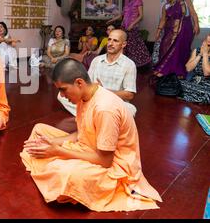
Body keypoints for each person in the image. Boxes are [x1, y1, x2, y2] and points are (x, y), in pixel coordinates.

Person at [21, 58, 162, 212]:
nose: (61, 96)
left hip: (113, 166)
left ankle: (54, 166)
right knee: (39, 129)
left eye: (63, 89)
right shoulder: (84, 96)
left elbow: (105, 160)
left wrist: (58, 150)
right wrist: (53, 141)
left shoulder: (105, 109)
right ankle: (50, 161)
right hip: (87, 147)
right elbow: (82, 131)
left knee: (64, 172)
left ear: (79, 83)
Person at [59, 29, 138, 117]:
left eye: (115, 41)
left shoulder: (129, 64)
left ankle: (91, 114)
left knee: (131, 110)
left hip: (113, 102)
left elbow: (129, 95)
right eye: (109, 39)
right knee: (62, 95)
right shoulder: (97, 60)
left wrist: (103, 92)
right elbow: (87, 83)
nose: (110, 44)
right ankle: (99, 116)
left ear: (123, 44)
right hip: (94, 100)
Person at [153, 0, 200, 78]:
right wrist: (158, 31)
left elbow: (193, 12)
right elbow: (163, 20)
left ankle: (179, 71)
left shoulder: (184, 0)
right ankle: (166, 69)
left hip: (184, 29)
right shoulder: (165, 6)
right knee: (165, 47)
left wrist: (196, 25)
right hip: (169, 30)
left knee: (180, 49)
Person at [107, 0, 151, 68]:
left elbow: (141, 16)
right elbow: (122, 14)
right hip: (124, 26)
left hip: (132, 27)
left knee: (134, 46)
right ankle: (122, 63)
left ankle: (135, 65)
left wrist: (132, 24)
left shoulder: (139, 2)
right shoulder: (127, 1)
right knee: (123, 45)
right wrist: (112, 20)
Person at [180, 34, 210, 104]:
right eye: (206, 41)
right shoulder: (197, 50)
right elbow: (188, 68)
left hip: (207, 86)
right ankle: (195, 97)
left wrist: (205, 54)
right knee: (178, 83)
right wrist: (200, 55)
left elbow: (207, 73)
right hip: (194, 83)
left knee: (207, 93)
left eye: (209, 44)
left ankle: (191, 96)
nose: (206, 46)